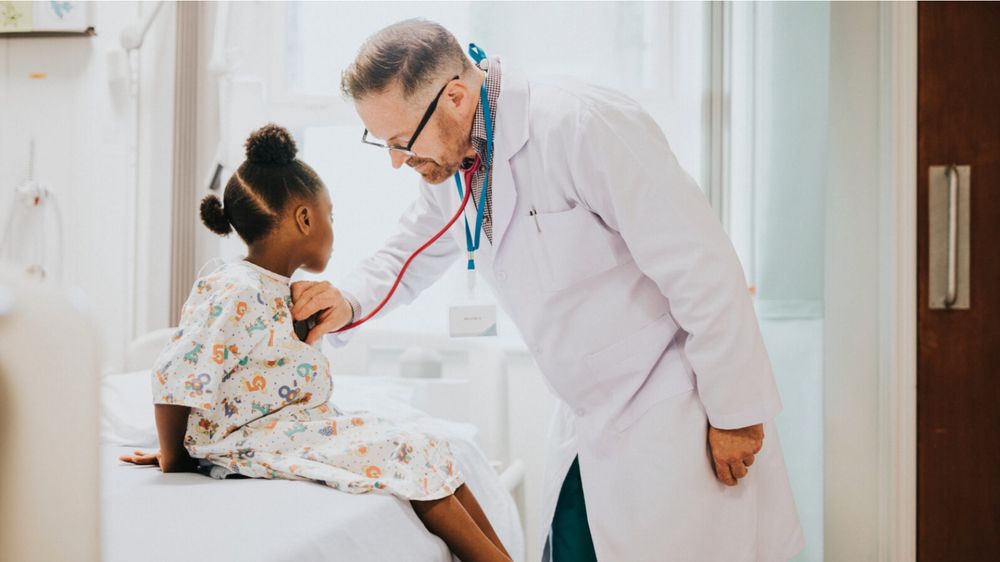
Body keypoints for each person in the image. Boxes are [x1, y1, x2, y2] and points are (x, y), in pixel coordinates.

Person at [290, 20, 805, 561]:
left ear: (457, 97)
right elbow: (406, 251)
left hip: (674, 407)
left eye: (401, 142)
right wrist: (346, 301)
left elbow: (701, 266)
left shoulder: (580, 124)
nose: (398, 161)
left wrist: (736, 414)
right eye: (384, 145)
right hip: (590, 420)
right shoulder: (455, 162)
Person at [119, 124, 513, 562]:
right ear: (305, 219)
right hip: (250, 438)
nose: (333, 225)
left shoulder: (286, 292)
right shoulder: (232, 288)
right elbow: (176, 376)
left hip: (292, 428)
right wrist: (175, 459)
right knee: (404, 452)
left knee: (426, 444)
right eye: (331, 214)